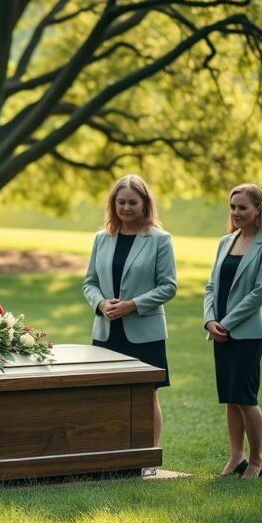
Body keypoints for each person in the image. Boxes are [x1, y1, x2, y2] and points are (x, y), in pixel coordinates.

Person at [82, 175, 177, 447]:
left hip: (145, 332)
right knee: (106, 394)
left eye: (132, 202)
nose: (126, 208)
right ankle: (110, 451)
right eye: (120, 202)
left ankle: (148, 454)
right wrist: (100, 304)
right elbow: (90, 282)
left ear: (145, 204)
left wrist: (132, 305)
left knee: (147, 394)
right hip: (106, 330)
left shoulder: (160, 239)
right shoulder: (102, 238)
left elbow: (169, 286)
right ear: (113, 204)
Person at [203, 183, 262, 479]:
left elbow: (260, 293)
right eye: (233, 207)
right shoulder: (226, 241)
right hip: (219, 331)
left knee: (246, 397)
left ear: (258, 208)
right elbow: (211, 286)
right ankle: (237, 457)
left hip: (246, 332)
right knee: (231, 397)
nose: (236, 212)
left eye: (242, 207)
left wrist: (228, 322)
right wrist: (210, 320)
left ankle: (257, 461)